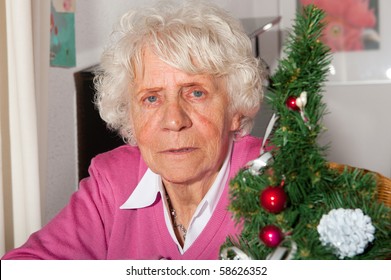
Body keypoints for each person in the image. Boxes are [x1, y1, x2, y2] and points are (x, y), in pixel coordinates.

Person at [2, 0, 266, 260]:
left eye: (196, 93)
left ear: (234, 109)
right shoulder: (114, 181)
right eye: (151, 98)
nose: (173, 121)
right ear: (130, 117)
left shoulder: (277, 181)